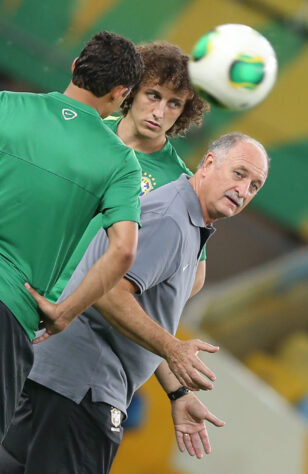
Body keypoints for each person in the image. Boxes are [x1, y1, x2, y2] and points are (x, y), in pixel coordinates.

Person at [0, 132, 270, 474]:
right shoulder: (171, 220)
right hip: (83, 391)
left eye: (255, 185)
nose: (244, 190)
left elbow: (140, 321)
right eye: (239, 174)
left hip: (59, 383)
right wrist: (173, 347)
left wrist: (178, 392)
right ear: (210, 163)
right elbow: (108, 293)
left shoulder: (184, 220)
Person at [0, 31, 144, 438]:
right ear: (120, 94)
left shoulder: (5, 106)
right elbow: (124, 251)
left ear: (75, 66)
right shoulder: (120, 163)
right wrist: (65, 312)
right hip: (10, 313)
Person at [48, 40, 210, 307]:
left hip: (78, 313)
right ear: (132, 90)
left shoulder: (182, 185)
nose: (159, 112)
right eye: (154, 95)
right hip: (24, 283)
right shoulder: (87, 127)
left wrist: (116, 299)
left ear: (184, 112)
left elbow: (193, 277)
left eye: (174, 103)